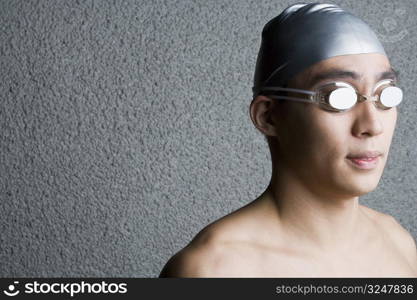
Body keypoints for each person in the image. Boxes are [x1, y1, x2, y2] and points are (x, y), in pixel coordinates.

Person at [159, 3, 417, 277]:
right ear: (268, 116)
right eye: (338, 98)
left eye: (385, 95)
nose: (372, 125)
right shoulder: (213, 270)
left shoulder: (397, 243)